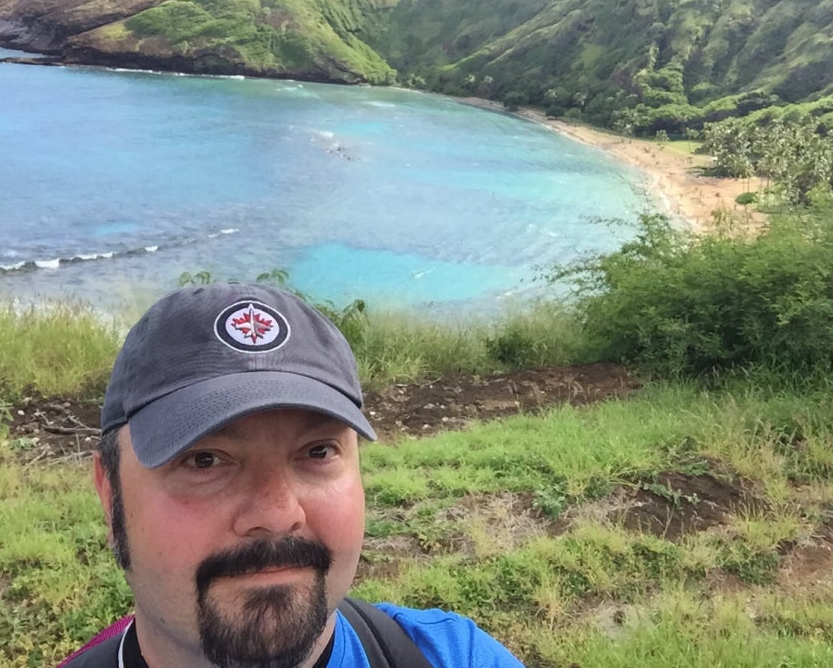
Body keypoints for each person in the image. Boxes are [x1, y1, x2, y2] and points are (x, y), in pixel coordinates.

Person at [59, 282, 526, 668]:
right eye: (204, 460)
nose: (278, 514)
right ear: (110, 494)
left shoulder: (453, 658)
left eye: (317, 451)